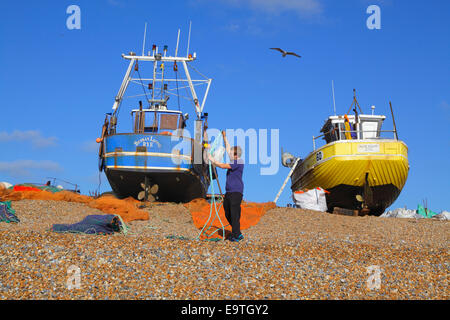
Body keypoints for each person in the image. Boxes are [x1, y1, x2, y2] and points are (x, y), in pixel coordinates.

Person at [208, 130, 244, 242]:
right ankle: (236, 232)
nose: (229, 154)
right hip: (229, 192)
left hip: (236, 192)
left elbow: (223, 166)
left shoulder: (239, 162)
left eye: (231, 153)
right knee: (227, 211)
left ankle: (237, 234)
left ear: (236, 154)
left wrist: (212, 160)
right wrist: (224, 137)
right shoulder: (234, 159)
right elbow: (228, 148)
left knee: (234, 213)